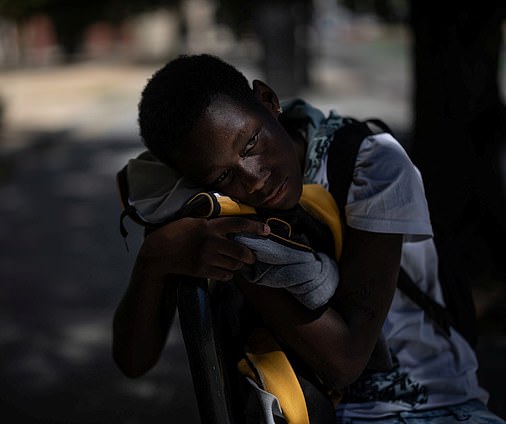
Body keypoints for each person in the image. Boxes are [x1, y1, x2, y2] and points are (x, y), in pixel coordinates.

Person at [112, 53, 505, 423]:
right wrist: (155, 257)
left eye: (250, 143)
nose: (254, 177)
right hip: (302, 408)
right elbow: (134, 361)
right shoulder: (202, 204)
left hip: (428, 400)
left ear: (268, 100)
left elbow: (345, 362)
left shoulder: (372, 162)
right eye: (223, 176)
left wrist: (242, 257)